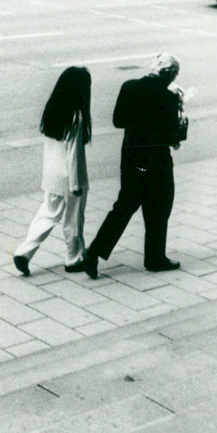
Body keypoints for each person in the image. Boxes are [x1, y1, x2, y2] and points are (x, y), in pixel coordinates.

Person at [83, 53, 184, 279]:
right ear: (170, 75)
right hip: (156, 163)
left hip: (132, 160)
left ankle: (95, 251)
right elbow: (172, 135)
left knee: (124, 205)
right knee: (159, 206)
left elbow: (118, 120)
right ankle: (155, 257)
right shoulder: (168, 97)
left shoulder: (129, 87)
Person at [13, 66, 92, 277]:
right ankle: (74, 258)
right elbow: (74, 154)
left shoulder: (53, 111)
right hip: (70, 178)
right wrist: (76, 185)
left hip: (52, 176)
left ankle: (24, 251)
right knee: (74, 220)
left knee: (47, 214)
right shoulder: (76, 116)